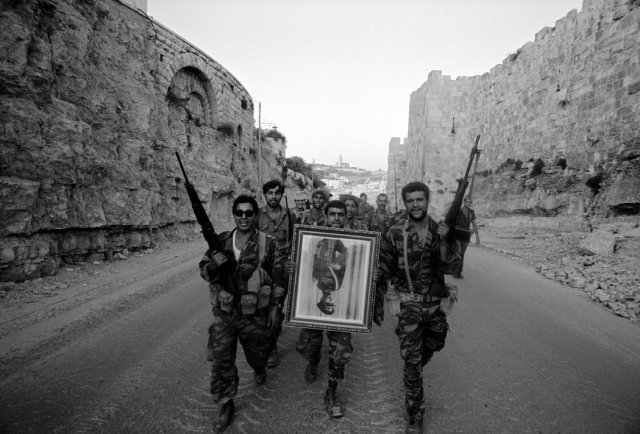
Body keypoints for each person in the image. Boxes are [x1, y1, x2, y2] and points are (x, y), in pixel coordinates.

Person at [376, 182, 460, 433]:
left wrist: (445, 242)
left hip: (435, 305)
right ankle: (415, 412)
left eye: (419, 200)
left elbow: (453, 268)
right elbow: (384, 268)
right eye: (410, 200)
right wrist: (375, 293)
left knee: (435, 344)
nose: (415, 205)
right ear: (405, 203)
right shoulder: (394, 233)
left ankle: (412, 370)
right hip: (409, 303)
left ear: (427, 201)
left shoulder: (441, 230)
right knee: (412, 362)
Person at [199, 195, 287, 433]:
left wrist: (276, 308)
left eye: (249, 213)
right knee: (221, 358)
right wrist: (214, 265)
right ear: (234, 214)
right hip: (226, 312)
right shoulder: (222, 241)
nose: (244, 217)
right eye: (240, 213)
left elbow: (279, 278)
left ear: (256, 215)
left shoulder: (267, 243)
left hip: (253, 313)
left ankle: (258, 367)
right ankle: (226, 404)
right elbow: (204, 270)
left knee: (259, 356)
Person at [287, 200, 353, 418]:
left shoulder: (353, 244)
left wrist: (372, 276)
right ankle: (313, 361)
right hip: (313, 301)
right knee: (309, 346)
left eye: (340, 214)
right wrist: (294, 266)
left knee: (340, 352)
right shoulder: (313, 241)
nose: (336, 218)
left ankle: (332, 393)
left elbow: (357, 275)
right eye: (332, 214)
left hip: (340, 305)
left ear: (345, 217)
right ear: (325, 216)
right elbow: (303, 267)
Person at [257, 179, 295, 368]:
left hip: (282, 273)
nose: (274, 196)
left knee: (276, 308)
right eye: (270, 193)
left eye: (277, 193)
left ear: (282, 194)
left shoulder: (289, 215)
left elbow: (297, 241)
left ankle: (271, 349)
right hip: (263, 271)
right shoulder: (257, 215)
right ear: (265, 195)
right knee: (262, 308)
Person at [452, 196, 480, 279]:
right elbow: (453, 222)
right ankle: (455, 271)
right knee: (459, 252)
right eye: (467, 202)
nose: (469, 203)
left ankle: (459, 272)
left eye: (470, 202)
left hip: (466, 234)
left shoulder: (472, 212)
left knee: (462, 254)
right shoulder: (459, 211)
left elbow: (474, 224)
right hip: (457, 232)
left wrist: (477, 236)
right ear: (464, 202)